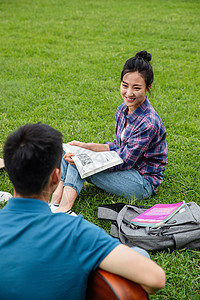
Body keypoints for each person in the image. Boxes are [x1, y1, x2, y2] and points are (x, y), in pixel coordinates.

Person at [0, 123, 165, 299]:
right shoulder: (77, 231)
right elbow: (156, 279)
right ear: (56, 178)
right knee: (140, 254)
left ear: (9, 172)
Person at [51, 50, 168, 213]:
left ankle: (64, 210)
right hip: (127, 168)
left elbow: (124, 160)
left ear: (148, 87)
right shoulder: (123, 110)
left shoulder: (148, 122)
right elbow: (118, 146)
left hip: (141, 182)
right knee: (69, 153)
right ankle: (54, 203)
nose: (129, 93)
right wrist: (86, 147)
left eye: (136, 88)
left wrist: (85, 160)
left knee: (78, 162)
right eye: (125, 85)